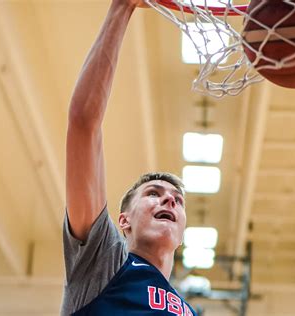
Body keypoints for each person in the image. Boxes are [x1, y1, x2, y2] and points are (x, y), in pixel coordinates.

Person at [62, 0, 196, 314]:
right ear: (124, 221)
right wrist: (122, 8)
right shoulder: (105, 261)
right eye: (154, 193)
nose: (169, 201)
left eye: (177, 199)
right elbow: (83, 124)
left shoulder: (188, 311)